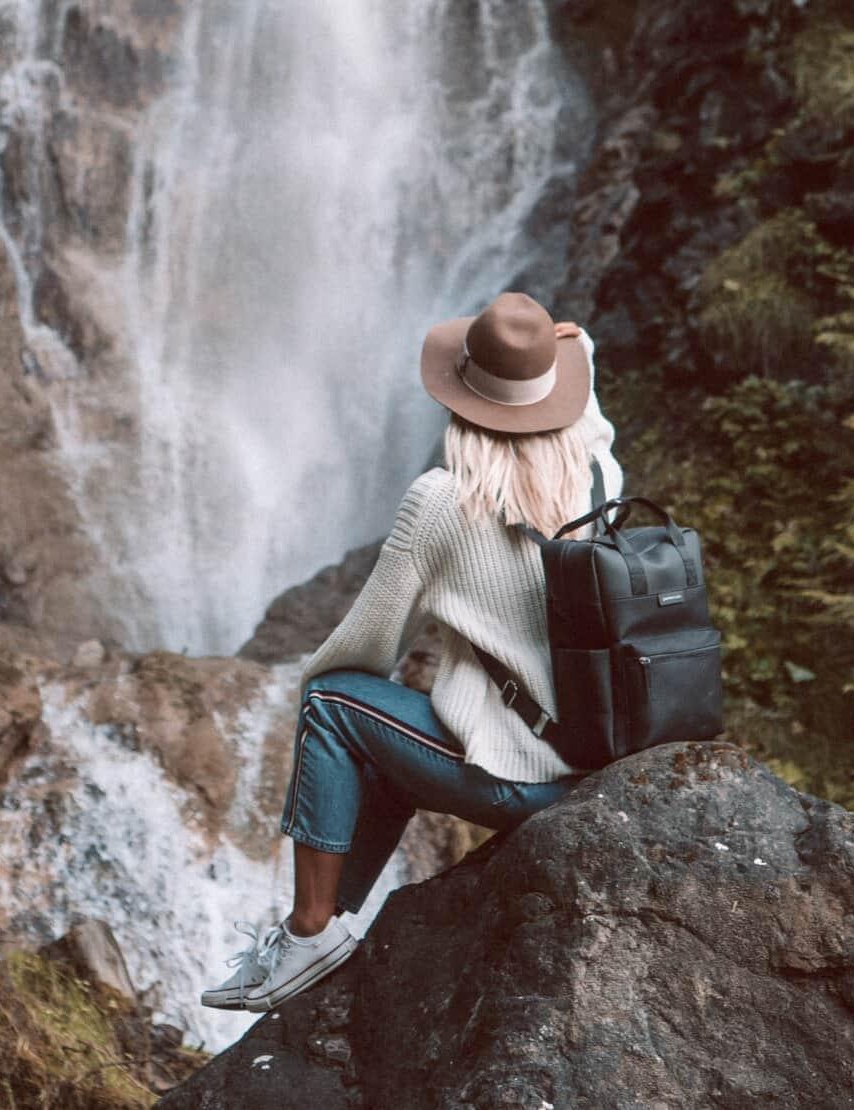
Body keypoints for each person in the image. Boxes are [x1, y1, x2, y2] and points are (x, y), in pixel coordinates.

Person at [200, 291, 623, 1013]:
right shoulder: (597, 478)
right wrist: (568, 352)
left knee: (332, 706)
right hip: (583, 761)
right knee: (388, 758)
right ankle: (328, 936)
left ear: (462, 398)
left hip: (515, 776)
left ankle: (307, 930)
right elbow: (590, 418)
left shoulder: (441, 502)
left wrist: (308, 700)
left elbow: (364, 651)